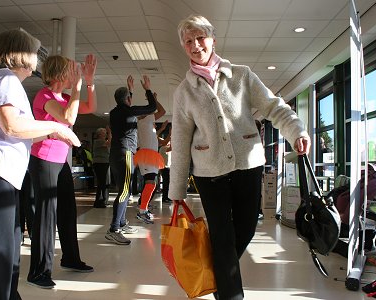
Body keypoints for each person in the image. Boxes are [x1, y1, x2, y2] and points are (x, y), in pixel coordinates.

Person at [169, 15, 311, 300]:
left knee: (245, 228)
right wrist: (177, 188)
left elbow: (275, 107)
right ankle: (231, 295)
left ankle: (218, 274)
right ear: (184, 47)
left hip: (248, 167)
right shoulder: (184, 92)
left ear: (212, 39)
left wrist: (296, 131)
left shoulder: (243, 75)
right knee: (221, 236)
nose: (196, 45)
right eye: (188, 41)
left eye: (200, 38)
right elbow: (181, 140)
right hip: (209, 174)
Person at [0, 29, 80, 300]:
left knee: (8, 245)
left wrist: (52, 131)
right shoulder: (6, 79)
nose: (38, 60)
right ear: (21, 54)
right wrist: (55, 126)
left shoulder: (4, 81)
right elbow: (11, 126)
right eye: (34, 52)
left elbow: (20, 129)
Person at [27, 54, 96, 289]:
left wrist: (88, 82)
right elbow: (69, 117)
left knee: (67, 212)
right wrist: (77, 88)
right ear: (59, 74)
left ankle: (71, 258)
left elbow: (90, 106)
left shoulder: (65, 97)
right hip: (44, 159)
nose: (74, 73)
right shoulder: (44, 96)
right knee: (47, 217)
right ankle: (38, 272)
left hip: (60, 162)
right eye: (72, 70)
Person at [105, 74, 157, 245]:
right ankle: (114, 229)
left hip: (116, 154)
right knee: (125, 192)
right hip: (126, 153)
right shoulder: (127, 110)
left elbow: (126, 106)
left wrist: (131, 91)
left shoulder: (115, 112)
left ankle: (120, 223)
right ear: (127, 99)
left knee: (124, 190)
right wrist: (147, 89)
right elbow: (152, 107)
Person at [134, 92, 166, 224]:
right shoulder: (145, 119)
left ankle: (143, 209)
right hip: (147, 155)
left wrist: (153, 100)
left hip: (150, 155)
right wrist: (154, 100)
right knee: (150, 183)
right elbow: (161, 110)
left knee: (151, 184)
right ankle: (142, 210)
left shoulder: (148, 121)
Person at [92, 126, 111, 208]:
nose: (105, 133)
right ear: (99, 134)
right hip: (100, 163)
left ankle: (102, 200)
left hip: (104, 163)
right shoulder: (98, 141)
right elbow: (109, 142)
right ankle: (99, 201)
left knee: (103, 182)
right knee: (101, 182)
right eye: (104, 132)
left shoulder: (102, 141)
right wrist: (110, 133)